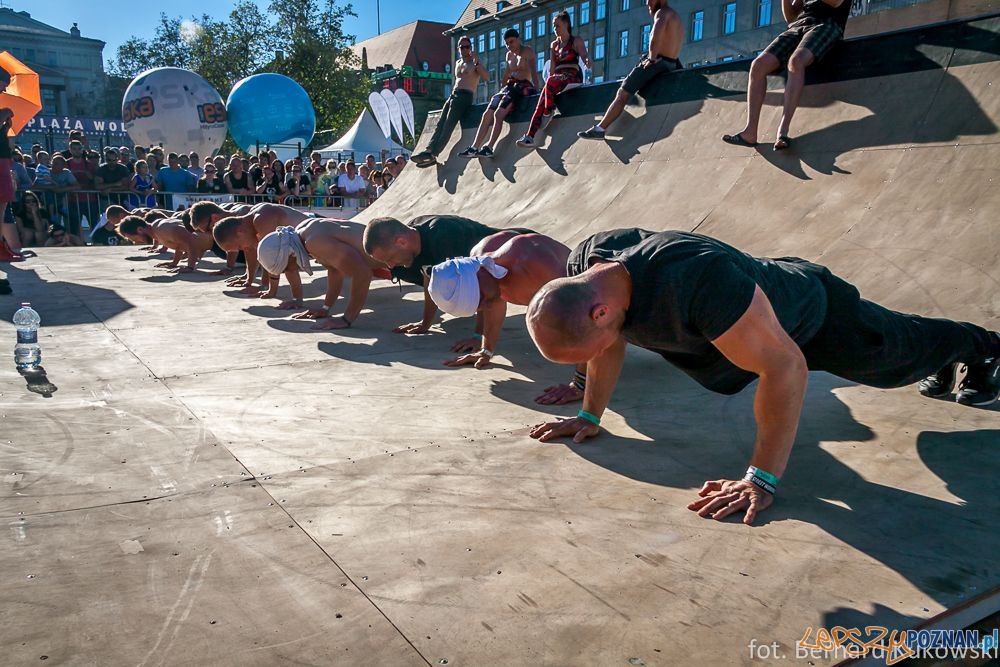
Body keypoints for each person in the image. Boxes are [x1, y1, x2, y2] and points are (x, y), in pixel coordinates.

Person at [525, 229, 1000, 525]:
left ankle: (983, 348)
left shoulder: (694, 278)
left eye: (589, 350)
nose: (599, 353)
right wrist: (589, 409)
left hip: (815, 317)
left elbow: (785, 366)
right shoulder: (587, 269)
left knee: (902, 357)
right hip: (759, 319)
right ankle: (952, 356)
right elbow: (609, 343)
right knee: (907, 358)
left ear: (600, 310)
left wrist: (761, 479)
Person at [363, 215, 528, 334]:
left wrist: (479, 337)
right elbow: (430, 280)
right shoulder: (413, 238)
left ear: (401, 242)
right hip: (500, 265)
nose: (390, 265)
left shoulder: (443, 238)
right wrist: (425, 324)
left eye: (390, 258)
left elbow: (484, 285)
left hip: (526, 254)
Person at [723, 0, 852, 150]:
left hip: (826, 24)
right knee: (758, 65)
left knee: (796, 62)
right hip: (798, 26)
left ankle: (782, 132)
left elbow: (835, 3)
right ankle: (750, 132)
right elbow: (791, 17)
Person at [578, 0, 684, 140]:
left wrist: (651, 59)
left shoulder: (662, 13)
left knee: (623, 93)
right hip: (673, 62)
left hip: (658, 61)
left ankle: (600, 128)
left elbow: (654, 38)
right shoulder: (676, 16)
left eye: (650, 0)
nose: (647, 3)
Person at [255, 219, 391, 327]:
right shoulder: (303, 233)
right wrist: (325, 308)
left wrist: (346, 319)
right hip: (392, 256)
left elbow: (362, 273)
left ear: (290, 255)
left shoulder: (314, 243)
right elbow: (335, 270)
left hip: (400, 257)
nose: (290, 271)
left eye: (285, 268)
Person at [207, 203, 321, 298]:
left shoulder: (262, 219)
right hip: (313, 237)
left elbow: (272, 257)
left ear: (240, 232)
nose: (244, 250)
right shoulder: (252, 221)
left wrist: (267, 288)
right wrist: (254, 281)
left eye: (240, 247)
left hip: (320, 233)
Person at [516, 11, 591, 149]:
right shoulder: (554, 45)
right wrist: (547, 89)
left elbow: (584, 54)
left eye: (557, 26)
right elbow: (552, 67)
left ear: (566, 24)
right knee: (541, 99)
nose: (555, 29)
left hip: (572, 75)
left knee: (551, 83)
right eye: (553, 26)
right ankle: (529, 136)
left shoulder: (576, 41)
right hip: (557, 78)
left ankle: (548, 111)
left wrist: (587, 61)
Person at [459, 29, 538, 159]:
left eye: (511, 42)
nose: (509, 45)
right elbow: (506, 74)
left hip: (521, 86)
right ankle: (474, 147)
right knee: (488, 112)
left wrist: (537, 91)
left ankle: (489, 147)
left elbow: (534, 72)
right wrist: (501, 90)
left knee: (498, 114)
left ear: (518, 39)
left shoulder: (527, 51)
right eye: (507, 43)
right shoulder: (509, 55)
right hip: (509, 87)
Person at [412, 36, 489, 167]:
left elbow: (486, 77)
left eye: (467, 47)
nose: (465, 49)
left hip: (465, 96)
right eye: (462, 47)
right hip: (454, 94)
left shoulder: (474, 63)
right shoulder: (458, 63)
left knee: (449, 124)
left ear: (470, 48)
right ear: (458, 49)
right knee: (440, 122)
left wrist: (476, 61)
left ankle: (434, 153)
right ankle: (429, 149)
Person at [118, 215, 215, 273]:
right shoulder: (157, 230)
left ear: (140, 230)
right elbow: (180, 244)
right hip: (214, 244)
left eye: (133, 238)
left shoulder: (162, 229)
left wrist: (190, 267)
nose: (135, 242)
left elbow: (191, 239)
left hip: (218, 244)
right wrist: (174, 263)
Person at [0, 99, 23, 259]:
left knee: (3, 205)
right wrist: (4, 112)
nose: (5, 86)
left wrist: (5, 129)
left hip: (3, 160)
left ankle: (2, 244)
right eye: (3, 82)